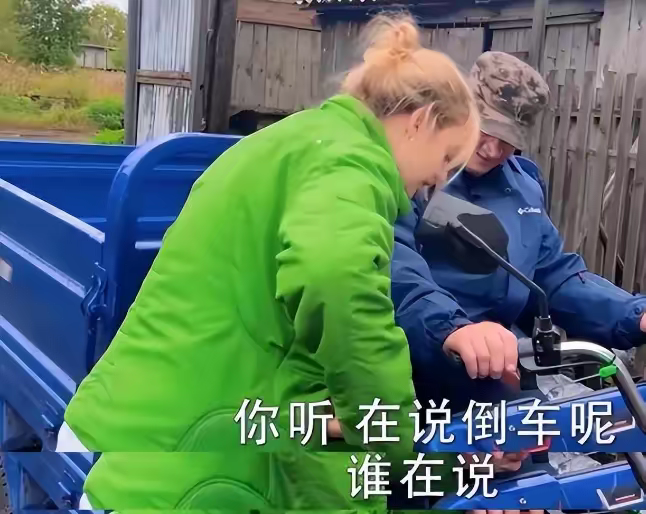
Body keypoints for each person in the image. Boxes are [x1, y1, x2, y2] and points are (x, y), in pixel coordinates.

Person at [57, 14, 481, 512]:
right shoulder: (350, 163)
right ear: (420, 121)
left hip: (166, 434)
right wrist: (391, 430)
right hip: (195, 472)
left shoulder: (294, 142)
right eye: (447, 158)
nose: (438, 181)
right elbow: (334, 278)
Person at [392, 51, 646, 474]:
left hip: (503, 374)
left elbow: (553, 277)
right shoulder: (410, 174)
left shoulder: (524, 185)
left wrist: (634, 314)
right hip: (419, 372)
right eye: (484, 129)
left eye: (507, 137)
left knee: (536, 480)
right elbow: (396, 273)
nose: (492, 148)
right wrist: (454, 331)